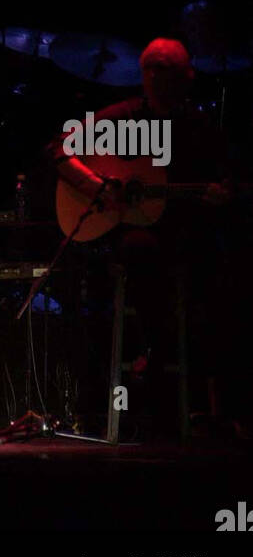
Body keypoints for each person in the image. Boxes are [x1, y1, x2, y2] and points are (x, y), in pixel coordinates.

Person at [47, 37, 235, 437]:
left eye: (164, 67)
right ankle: (154, 355)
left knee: (221, 264)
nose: (155, 76)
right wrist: (99, 184)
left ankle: (213, 398)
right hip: (133, 233)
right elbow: (61, 150)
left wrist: (219, 196)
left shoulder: (199, 127)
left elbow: (220, 184)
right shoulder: (123, 116)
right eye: (149, 67)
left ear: (188, 76)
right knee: (137, 250)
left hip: (186, 234)